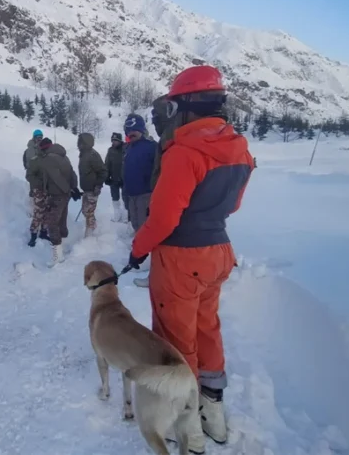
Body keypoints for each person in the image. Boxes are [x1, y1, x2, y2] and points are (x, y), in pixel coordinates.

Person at [128, 66, 255, 448]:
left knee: (175, 341)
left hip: (182, 257)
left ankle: (190, 432)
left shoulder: (184, 152)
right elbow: (233, 204)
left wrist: (138, 250)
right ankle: (213, 413)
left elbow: (164, 217)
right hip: (219, 251)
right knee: (207, 329)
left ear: (182, 106)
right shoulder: (239, 147)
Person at [25, 137, 80, 266]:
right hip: (63, 194)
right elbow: (72, 174)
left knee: (52, 223)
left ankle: (58, 256)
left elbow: (56, 178)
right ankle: (62, 247)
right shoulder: (63, 157)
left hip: (57, 194)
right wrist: (73, 188)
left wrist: (68, 189)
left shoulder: (49, 159)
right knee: (61, 219)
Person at [123, 114, 157, 234]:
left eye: (134, 130)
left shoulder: (152, 147)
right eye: (128, 131)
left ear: (141, 130)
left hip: (146, 194)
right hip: (131, 194)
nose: (131, 133)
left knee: (145, 225)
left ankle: (146, 250)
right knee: (135, 223)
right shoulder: (128, 148)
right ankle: (138, 244)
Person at [77, 133, 107, 237]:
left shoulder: (93, 155)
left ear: (85, 143)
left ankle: (90, 235)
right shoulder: (83, 154)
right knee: (85, 211)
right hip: (86, 189)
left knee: (89, 212)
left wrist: (98, 185)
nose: (78, 144)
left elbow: (103, 171)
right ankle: (94, 226)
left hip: (93, 189)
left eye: (80, 142)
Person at [24, 129, 49, 246]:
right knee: (38, 212)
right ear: (34, 138)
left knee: (47, 211)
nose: (39, 138)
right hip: (37, 187)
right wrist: (36, 185)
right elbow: (28, 172)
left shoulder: (46, 152)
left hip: (48, 187)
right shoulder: (31, 152)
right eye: (37, 136)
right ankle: (33, 234)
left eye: (41, 136)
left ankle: (44, 232)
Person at [104, 132, 127, 222]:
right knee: (115, 197)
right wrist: (106, 177)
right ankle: (117, 214)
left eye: (116, 140)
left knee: (126, 198)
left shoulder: (126, 148)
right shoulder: (110, 150)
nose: (114, 142)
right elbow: (107, 164)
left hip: (125, 178)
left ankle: (126, 216)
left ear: (120, 141)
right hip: (114, 178)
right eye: (113, 140)